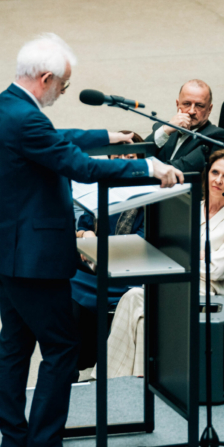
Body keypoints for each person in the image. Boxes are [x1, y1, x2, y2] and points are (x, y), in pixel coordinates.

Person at [0, 33, 182, 447]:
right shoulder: (26, 119)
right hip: (37, 257)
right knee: (62, 348)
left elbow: (56, 138)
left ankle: (13, 443)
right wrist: (146, 167)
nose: (63, 93)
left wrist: (105, 133)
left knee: (15, 347)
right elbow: (80, 167)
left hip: (9, 252)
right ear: (46, 78)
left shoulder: (3, 105)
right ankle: (43, 446)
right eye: (64, 86)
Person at [102, 150, 224, 378]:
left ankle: (134, 383)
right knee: (132, 298)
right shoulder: (193, 205)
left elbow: (217, 271)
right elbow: (164, 249)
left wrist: (184, 256)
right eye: (215, 172)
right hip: (175, 280)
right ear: (207, 174)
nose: (218, 180)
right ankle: (112, 379)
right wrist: (196, 255)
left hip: (206, 293)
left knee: (144, 316)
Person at [72, 135, 146, 370]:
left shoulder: (148, 197)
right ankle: (72, 362)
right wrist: (86, 236)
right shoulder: (100, 186)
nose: (123, 161)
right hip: (91, 268)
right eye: (117, 156)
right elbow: (83, 223)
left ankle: (83, 359)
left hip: (124, 273)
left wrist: (97, 247)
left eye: (130, 156)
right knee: (66, 284)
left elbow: (141, 242)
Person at [146, 79, 224, 173]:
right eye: (187, 104)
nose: (191, 111)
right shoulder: (162, 128)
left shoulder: (218, 137)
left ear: (209, 109)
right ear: (177, 104)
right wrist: (166, 129)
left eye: (199, 105)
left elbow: (182, 168)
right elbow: (137, 154)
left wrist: (144, 167)